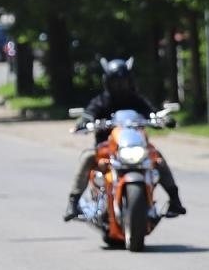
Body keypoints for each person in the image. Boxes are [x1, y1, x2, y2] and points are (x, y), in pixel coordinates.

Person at [64, 57, 186, 221]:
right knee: (87, 157)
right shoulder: (102, 100)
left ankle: (175, 200)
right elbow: (89, 113)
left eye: (124, 81)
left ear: (130, 81)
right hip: (107, 147)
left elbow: (150, 112)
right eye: (116, 82)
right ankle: (73, 202)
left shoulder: (136, 100)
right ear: (108, 82)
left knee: (157, 158)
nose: (120, 86)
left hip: (135, 145)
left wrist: (162, 119)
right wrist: (84, 121)